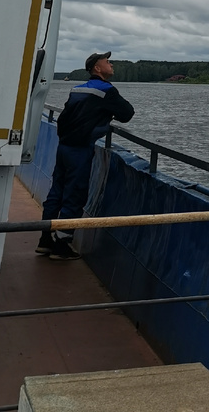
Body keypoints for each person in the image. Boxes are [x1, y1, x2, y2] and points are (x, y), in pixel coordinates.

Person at [37, 51, 134, 260]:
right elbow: (127, 113)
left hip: (63, 147)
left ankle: (45, 240)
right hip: (80, 149)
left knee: (57, 192)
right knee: (75, 195)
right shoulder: (106, 90)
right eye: (107, 62)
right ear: (97, 68)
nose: (111, 64)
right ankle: (61, 246)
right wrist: (107, 114)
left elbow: (67, 116)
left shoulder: (78, 89)